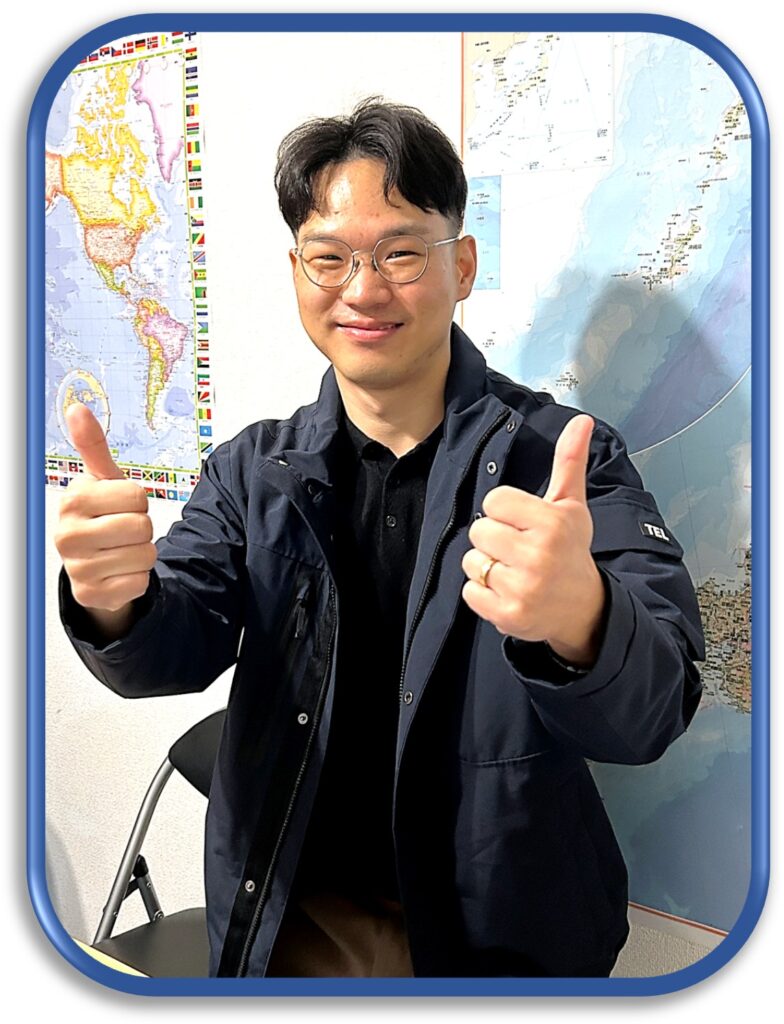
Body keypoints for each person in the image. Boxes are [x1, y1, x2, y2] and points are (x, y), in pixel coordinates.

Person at [55, 98, 705, 979]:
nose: (361, 290)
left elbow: (653, 715)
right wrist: (113, 603)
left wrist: (583, 621)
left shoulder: (564, 462)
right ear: (296, 272)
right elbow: (168, 652)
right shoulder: (251, 471)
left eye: (400, 253)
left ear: (461, 265)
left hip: (500, 938)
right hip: (291, 924)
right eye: (329, 258)